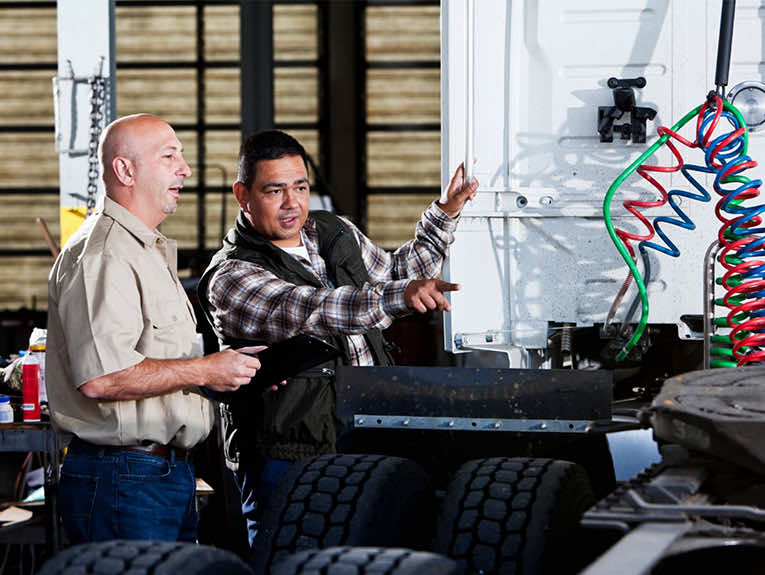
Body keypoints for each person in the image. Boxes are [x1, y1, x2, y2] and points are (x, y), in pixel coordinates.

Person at [197, 129, 478, 546]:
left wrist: (445, 211)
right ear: (243, 194)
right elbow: (313, 308)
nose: (292, 203)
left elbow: (397, 273)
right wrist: (399, 295)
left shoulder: (331, 232)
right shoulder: (231, 277)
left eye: (300, 187)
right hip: (288, 455)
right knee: (295, 560)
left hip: (369, 435)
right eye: (274, 190)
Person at [46, 113, 264, 544]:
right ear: (125, 170)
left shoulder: (144, 250)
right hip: (124, 479)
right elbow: (102, 377)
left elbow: (160, 363)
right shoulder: (104, 256)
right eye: (169, 156)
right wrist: (205, 371)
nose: (184, 169)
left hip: (158, 476)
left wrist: (228, 373)